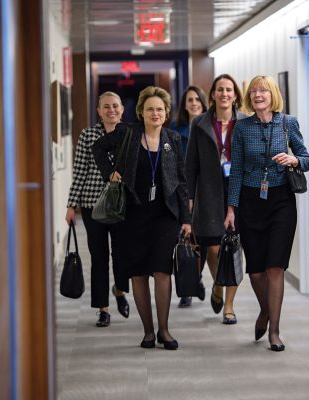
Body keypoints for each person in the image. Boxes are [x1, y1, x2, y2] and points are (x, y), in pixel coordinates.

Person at [93, 86, 191, 350]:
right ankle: (148, 332)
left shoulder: (173, 139)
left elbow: (181, 182)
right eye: (150, 109)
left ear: (166, 112)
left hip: (164, 215)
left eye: (160, 109)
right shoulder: (127, 134)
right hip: (133, 214)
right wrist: (109, 173)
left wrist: (186, 218)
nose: (155, 113)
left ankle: (164, 330)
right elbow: (98, 148)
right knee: (138, 273)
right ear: (141, 112)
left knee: (162, 271)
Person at [224, 75, 309, 351]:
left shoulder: (288, 123)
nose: (258, 95)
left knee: (276, 267)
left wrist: (294, 159)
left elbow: (306, 160)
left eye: (263, 90)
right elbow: (236, 170)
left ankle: (274, 330)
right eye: (253, 91)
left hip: (281, 201)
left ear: (273, 94)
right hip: (251, 201)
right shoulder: (240, 127)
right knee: (256, 270)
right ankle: (265, 310)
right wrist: (231, 208)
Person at [186, 74, 248, 324]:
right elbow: (191, 165)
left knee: (233, 247)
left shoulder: (245, 123)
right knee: (212, 248)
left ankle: (229, 306)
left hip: (238, 190)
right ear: (212, 94)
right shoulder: (200, 124)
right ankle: (218, 286)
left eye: (229, 90)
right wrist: (189, 198)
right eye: (219, 89)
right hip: (208, 192)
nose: (224, 94)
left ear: (235, 95)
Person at [65, 91, 130, 328]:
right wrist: (72, 205)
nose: (111, 110)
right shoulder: (87, 135)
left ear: (122, 109)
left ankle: (119, 290)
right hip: (93, 205)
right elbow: (80, 170)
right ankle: (103, 308)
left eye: (115, 106)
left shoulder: (130, 134)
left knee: (123, 254)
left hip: (123, 205)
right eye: (106, 107)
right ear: (98, 111)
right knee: (99, 257)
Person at [170, 85, 208, 308]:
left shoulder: (209, 127)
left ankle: (196, 279)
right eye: (189, 100)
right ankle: (186, 288)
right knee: (182, 240)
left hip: (204, 192)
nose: (193, 103)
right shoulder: (175, 129)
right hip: (182, 192)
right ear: (184, 105)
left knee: (201, 241)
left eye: (197, 99)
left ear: (203, 103)